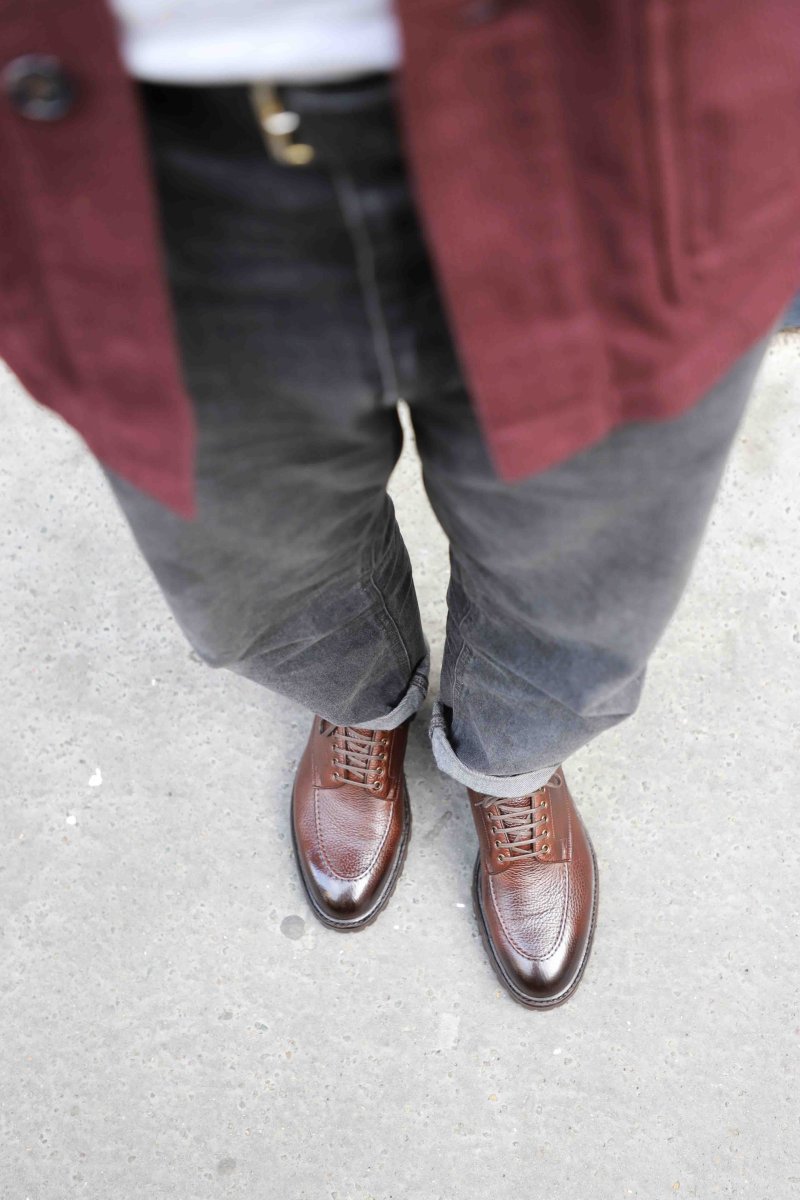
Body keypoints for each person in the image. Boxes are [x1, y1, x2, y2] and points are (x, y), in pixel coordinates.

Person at [1, 1, 798, 1009]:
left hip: (608, 102)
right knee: (250, 546)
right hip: (136, 137)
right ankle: (357, 704)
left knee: (585, 562)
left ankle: (513, 763)